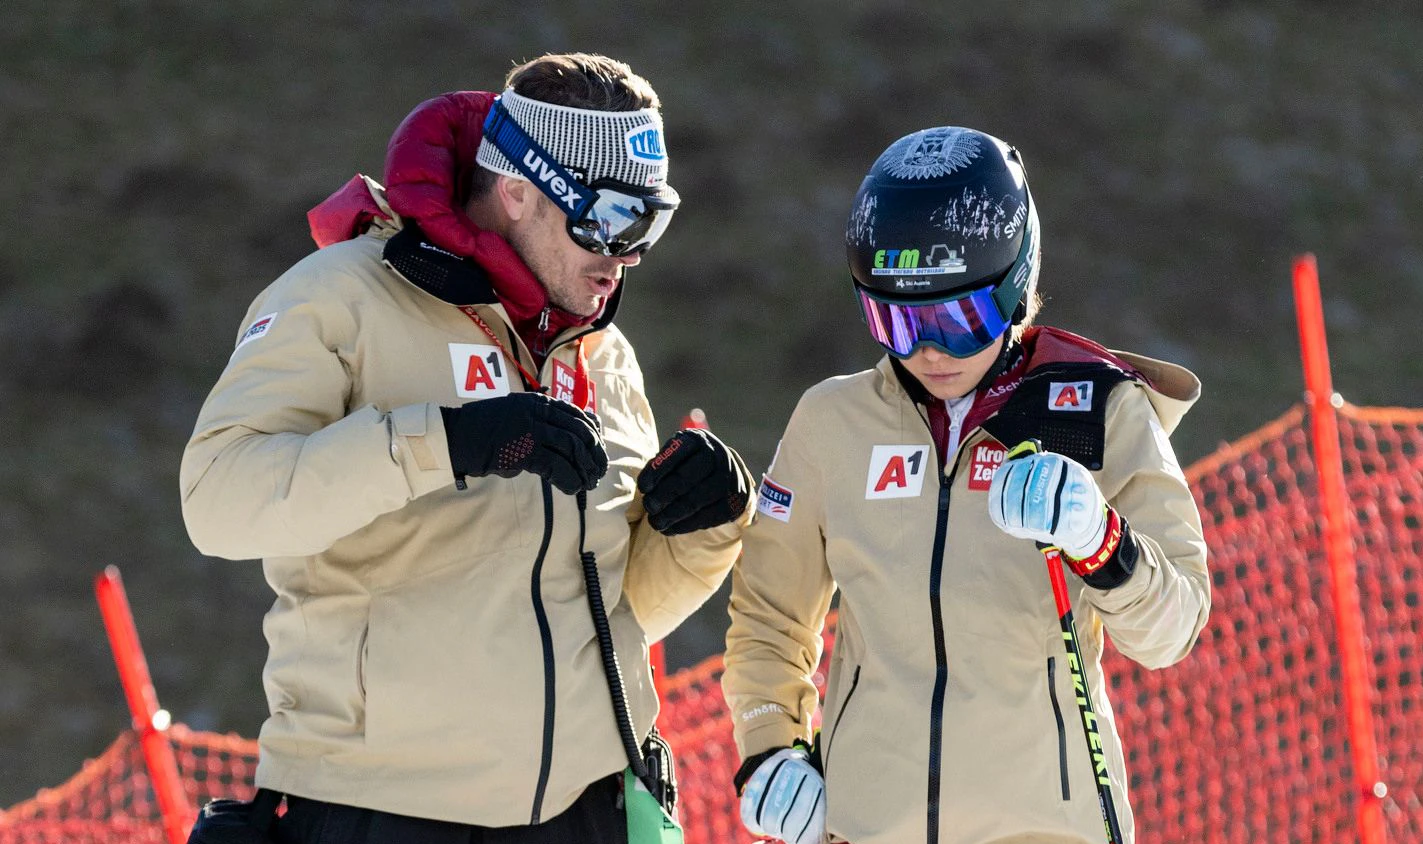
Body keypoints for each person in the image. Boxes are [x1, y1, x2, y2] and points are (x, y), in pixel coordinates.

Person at [180, 53, 754, 844]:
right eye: (609, 219)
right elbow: (217, 500)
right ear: (517, 190)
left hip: (585, 810)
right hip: (385, 809)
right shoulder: (340, 298)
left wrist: (704, 527)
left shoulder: (599, 352)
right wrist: (444, 443)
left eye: (649, 224)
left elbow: (611, 613)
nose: (626, 255)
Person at [721, 127, 1210, 844]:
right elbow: (771, 618)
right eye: (897, 320)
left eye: (959, 320)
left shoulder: (1099, 410)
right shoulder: (831, 423)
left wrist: (1099, 540)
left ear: (1015, 285)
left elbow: (1174, 628)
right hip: (870, 828)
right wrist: (772, 749)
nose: (929, 351)